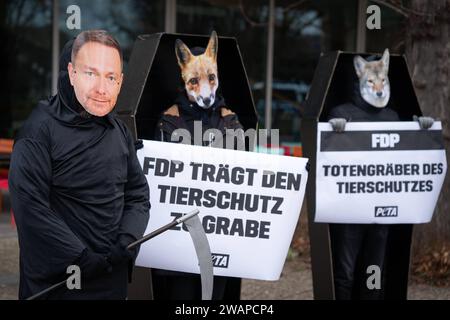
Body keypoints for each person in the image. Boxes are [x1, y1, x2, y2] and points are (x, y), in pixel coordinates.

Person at [9, 30, 150, 300]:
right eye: (91, 74)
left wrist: (127, 240)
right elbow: (31, 210)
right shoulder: (39, 131)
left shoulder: (119, 132)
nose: (102, 88)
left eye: (111, 78)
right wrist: (80, 257)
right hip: (58, 285)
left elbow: (137, 195)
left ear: (121, 82)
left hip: (111, 282)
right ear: (72, 73)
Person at [327, 49, 433, 300]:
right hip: (349, 211)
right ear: (360, 78)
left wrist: (421, 129)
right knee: (345, 273)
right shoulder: (342, 113)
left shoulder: (392, 117)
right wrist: (333, 130)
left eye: (382, 80)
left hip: (381, 213)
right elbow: (325, 157)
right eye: (372, 81)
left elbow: (407, 155)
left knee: (375, 271)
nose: (378, 87)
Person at [151, 33, 243, 300]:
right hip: (181, 236)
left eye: (211, 78)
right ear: (184, 78)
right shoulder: (168, 122)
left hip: (219, 235)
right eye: (195, 81)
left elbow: (247, 175)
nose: (205, 90)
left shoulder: (231, 122)